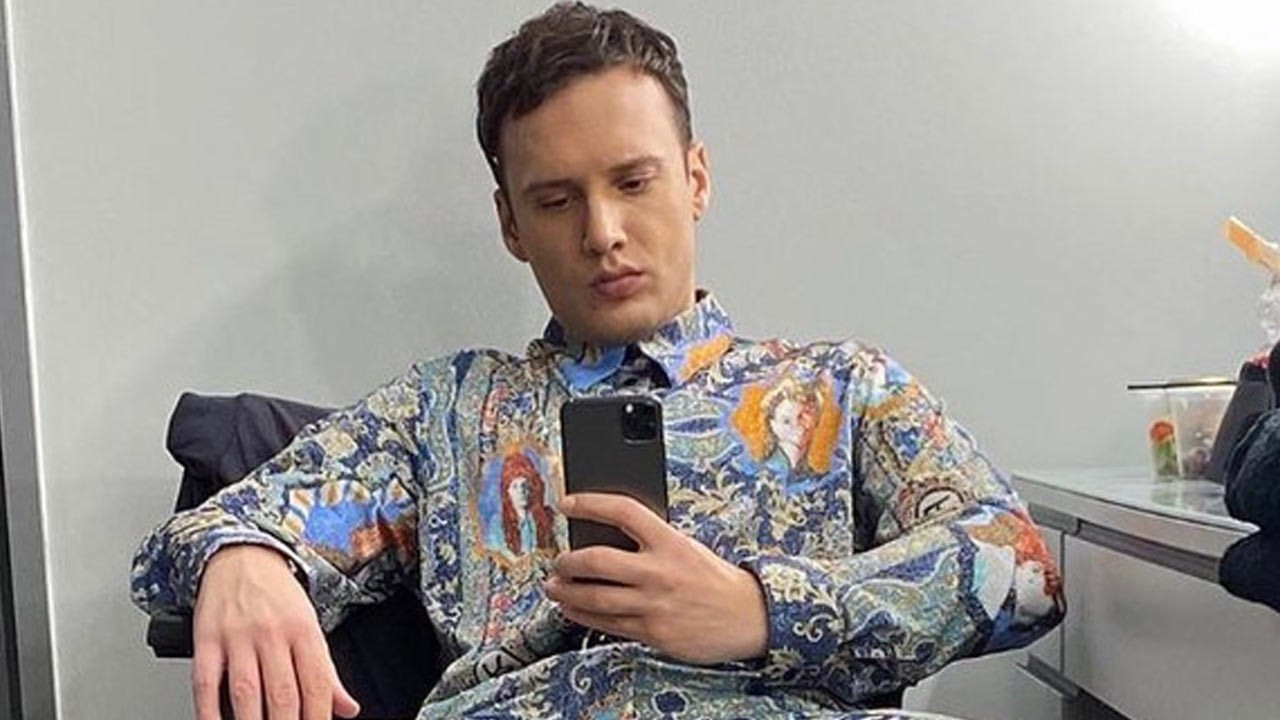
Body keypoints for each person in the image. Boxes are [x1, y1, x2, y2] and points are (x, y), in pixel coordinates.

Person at [130, 4, 1065, 719]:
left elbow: (1021, 569)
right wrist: (243, 555)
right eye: (555, 200)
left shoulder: (841, 387)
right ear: (511, 225)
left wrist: (760, 610)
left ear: (694, 178)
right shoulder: (445, 410)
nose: (603, 232)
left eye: (633, 181)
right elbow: (194, 541)